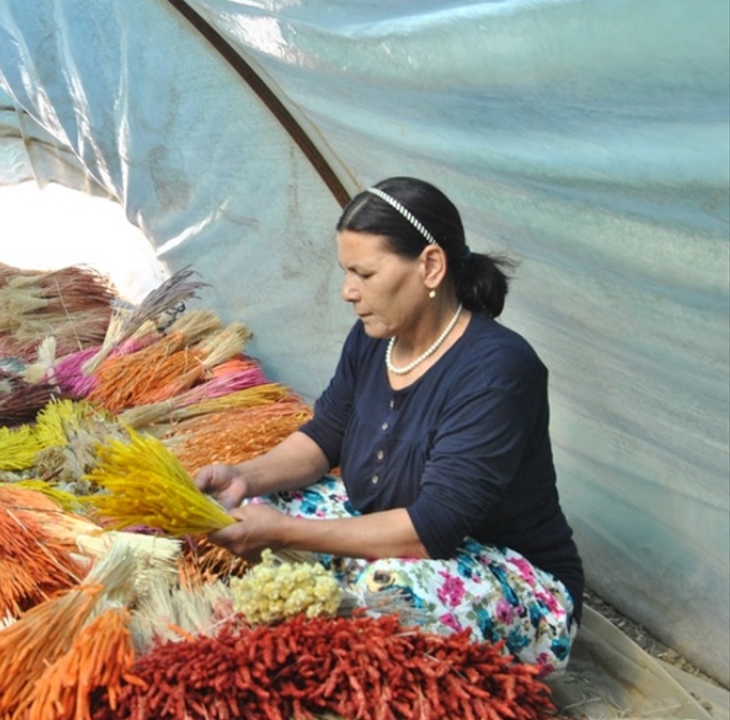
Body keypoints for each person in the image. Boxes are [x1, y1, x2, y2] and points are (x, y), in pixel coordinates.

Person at [195, 177, 583, 674]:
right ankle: (344, 590)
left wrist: (287, 533)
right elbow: (323, 437)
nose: (347, 292)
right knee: (242, 508)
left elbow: (433, 530)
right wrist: (244, 476)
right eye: (346, 272)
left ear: (430, 266)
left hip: (505, 570)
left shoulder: (497, 370)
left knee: (388, 591)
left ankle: (357, 599)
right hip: (394, 525)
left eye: (365, 273)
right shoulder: (374, 338)